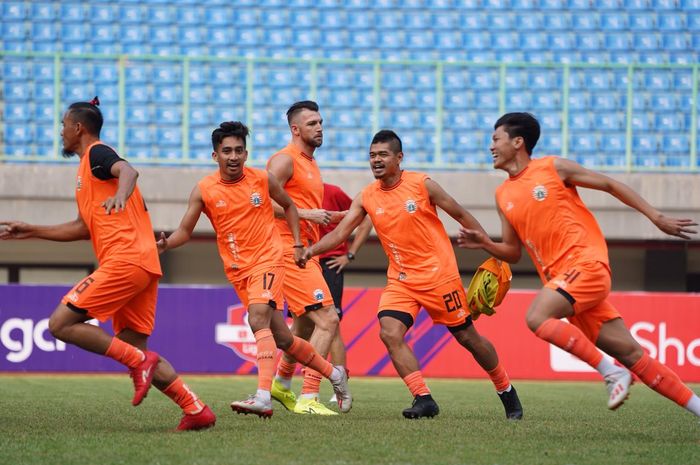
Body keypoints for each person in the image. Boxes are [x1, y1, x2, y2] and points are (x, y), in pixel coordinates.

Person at [457, 112, 700, 417]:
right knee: (633, 354)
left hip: (586, 265)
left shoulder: (552, 167)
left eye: (496, 138)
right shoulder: (503, 194)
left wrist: (656, 217)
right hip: (565, 282)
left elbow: (610, 185)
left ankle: (611, 373)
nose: (490, 146)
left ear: (517, 142)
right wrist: (485, 243)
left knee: (536, 317)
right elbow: (513, 252)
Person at [0, 98, 216, 431]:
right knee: (133, 344)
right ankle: (195, 408)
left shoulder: (98, 154)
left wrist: (122, 193)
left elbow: (128, 170)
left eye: (63, 125)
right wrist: (31, 230)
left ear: (78, 128)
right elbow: (82, 227)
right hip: (143, 264)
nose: (61, 132)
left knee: (60, 324)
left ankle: (139, 363)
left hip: (126, 259)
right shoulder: (86, 171)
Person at [301, 130, 523, 420]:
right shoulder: (367, 196)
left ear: (399, 158)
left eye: (382, 155)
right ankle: (423, 397)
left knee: (468, 338)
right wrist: (309, 251)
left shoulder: (422, 184)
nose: (376, 160)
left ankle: (505, 389)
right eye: (372, 155)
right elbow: (342, 233)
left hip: (439, 277)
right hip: (401, 281)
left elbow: (460, 213)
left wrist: (487, 246)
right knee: (389, 332)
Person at [156, 121, 351, 418]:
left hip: (269, 259)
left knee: (257, 317)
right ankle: (335, 375)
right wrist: (166, 244)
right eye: (226, 151)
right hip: (238, 270)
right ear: (215, 155)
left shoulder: (262, 179)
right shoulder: (204, 190)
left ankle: (263, 397)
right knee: (284, 338)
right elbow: (185, 230)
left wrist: (298, 243)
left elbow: (289, 205)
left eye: (238, 151)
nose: (233, 157)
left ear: (246, 154)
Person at [266, 101, 349, 415]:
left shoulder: (310, 163)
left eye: (321, 122)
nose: (320, 128)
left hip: (305, 252)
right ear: (295, 129)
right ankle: (309, 397)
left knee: (301, 326)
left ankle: (282, 384)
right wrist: (305, 213)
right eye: (312, 123)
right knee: (328, 320)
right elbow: (257, 201)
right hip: (288, 250)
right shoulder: (285, 161)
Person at [319, 183, 373, 403]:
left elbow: (366, 216)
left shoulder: (332, 192)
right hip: (301, 264)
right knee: (299, 328)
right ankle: (285, 383)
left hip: (328, 263)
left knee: (332, 326)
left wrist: (350, 254)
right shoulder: (288, 195)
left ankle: (340, 385)